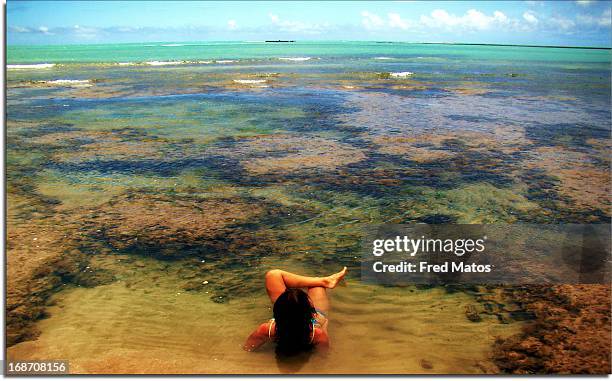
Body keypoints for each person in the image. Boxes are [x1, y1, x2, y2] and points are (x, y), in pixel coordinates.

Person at [243, 267, 348, 356]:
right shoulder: (316, 335)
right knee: (317, 286)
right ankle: (324, 281)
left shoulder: (267, 329)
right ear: (312, 313)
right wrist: (324, 325)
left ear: (277, 310)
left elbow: (247, 349)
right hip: (313, 324)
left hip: (286, 321)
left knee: (273, 275)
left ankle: (325, 281)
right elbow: (323, 356)